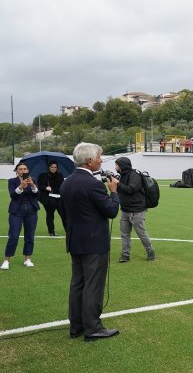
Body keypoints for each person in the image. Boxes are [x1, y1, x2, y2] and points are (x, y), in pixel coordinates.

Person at [61, 142, 120, 341]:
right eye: (98, 158)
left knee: (78, 283)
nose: (101, 161)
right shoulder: (93, 184)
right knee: (93, 285)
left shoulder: (67, 182)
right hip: (94, 242)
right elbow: (111, 211)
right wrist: (113, 191)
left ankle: (76, 326)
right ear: (89, 161)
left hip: (75, 240)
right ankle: (93, 328)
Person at [115, 157, 156, 262]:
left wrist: (118, 184)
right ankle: (125, 255)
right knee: (124, 233)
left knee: (141, 232)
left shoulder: (134, 175)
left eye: (117, 165)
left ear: (122, 166)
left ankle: (150, 251)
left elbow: (132, 189)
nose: (115, 167)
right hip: (125, 209)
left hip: (137, 210)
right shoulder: (122, 175)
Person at [1, 162, 40, 270]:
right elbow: (13, 195)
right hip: (16, 211)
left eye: (25, 169)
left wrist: (32, 185)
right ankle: (6, 260)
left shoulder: (33, 180)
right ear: (16, 171)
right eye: (20, 169)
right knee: (13, 236)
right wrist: (20, 187)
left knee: (30, 236)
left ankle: (27, 259)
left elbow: (37, 195)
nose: (23, 171)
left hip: (31, 211)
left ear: (27, 170)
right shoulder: (12, 181)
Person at [37, 160, 66, 236]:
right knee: (50, 215)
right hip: (48, 198)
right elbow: (38, 186)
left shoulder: (60, 175)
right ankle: (51, 232)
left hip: (59, 198)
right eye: (52, 167)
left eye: (55, 167)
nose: (53, 168)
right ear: (49, 167)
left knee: (64, 214)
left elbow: (62, 185)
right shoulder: (42, 175)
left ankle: (68, 230)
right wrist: (46, 187)